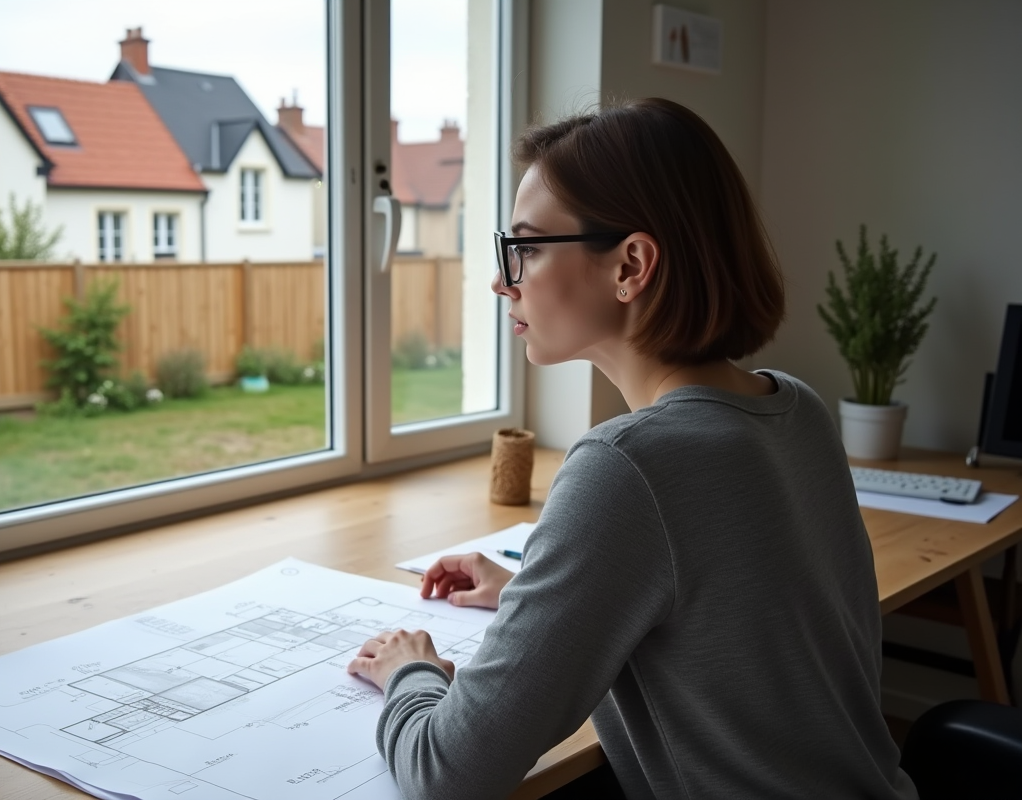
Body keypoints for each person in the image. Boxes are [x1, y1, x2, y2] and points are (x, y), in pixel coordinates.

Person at [347, 98, 918, 800]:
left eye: (525, 247)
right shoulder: (794, 407)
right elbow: (723, 614)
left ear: (631, 265)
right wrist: (537, 597)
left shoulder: (627, 466)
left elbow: (449, 774)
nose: (503, 279)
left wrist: (412, 671)